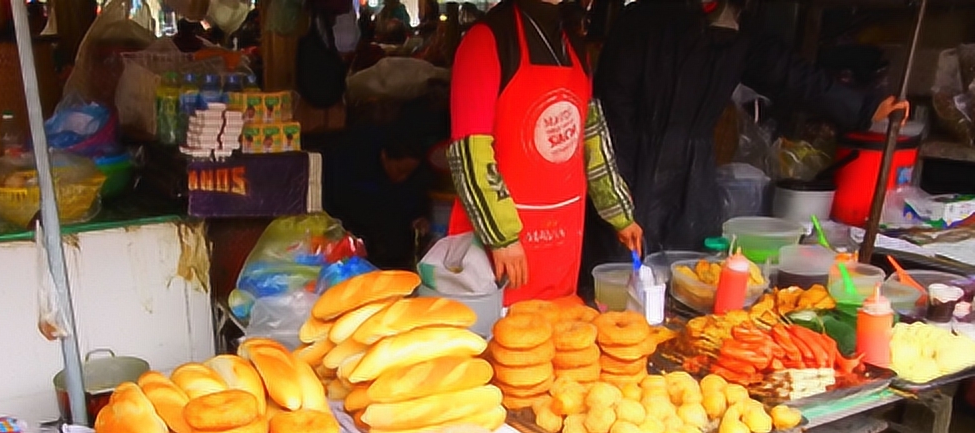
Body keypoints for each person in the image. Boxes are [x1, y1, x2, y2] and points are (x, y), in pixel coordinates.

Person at [594, 0, 908, 254]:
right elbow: (609, 108)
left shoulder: (736, 27)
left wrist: (866, 108)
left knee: (690, 268)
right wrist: (615, 189)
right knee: (623, 273)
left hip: (694, 175)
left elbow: (794, 76)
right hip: (633, 162)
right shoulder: (642, 21)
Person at [447, 0, 642, 304]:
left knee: (559, 333)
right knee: (502, 340)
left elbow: (592, 137)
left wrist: (619, 213)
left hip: (563, 237)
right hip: (503, 247)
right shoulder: (487, 40)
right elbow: (470, 155)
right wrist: (503, 238)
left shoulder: (573, 44)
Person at [323, 122, 434, 272]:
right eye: (400, 170)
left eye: (409, 173)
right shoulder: (355, 166)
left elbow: (418, 200)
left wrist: (420, 217)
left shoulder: (415, 179)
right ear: (384, 157)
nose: (403, 177)